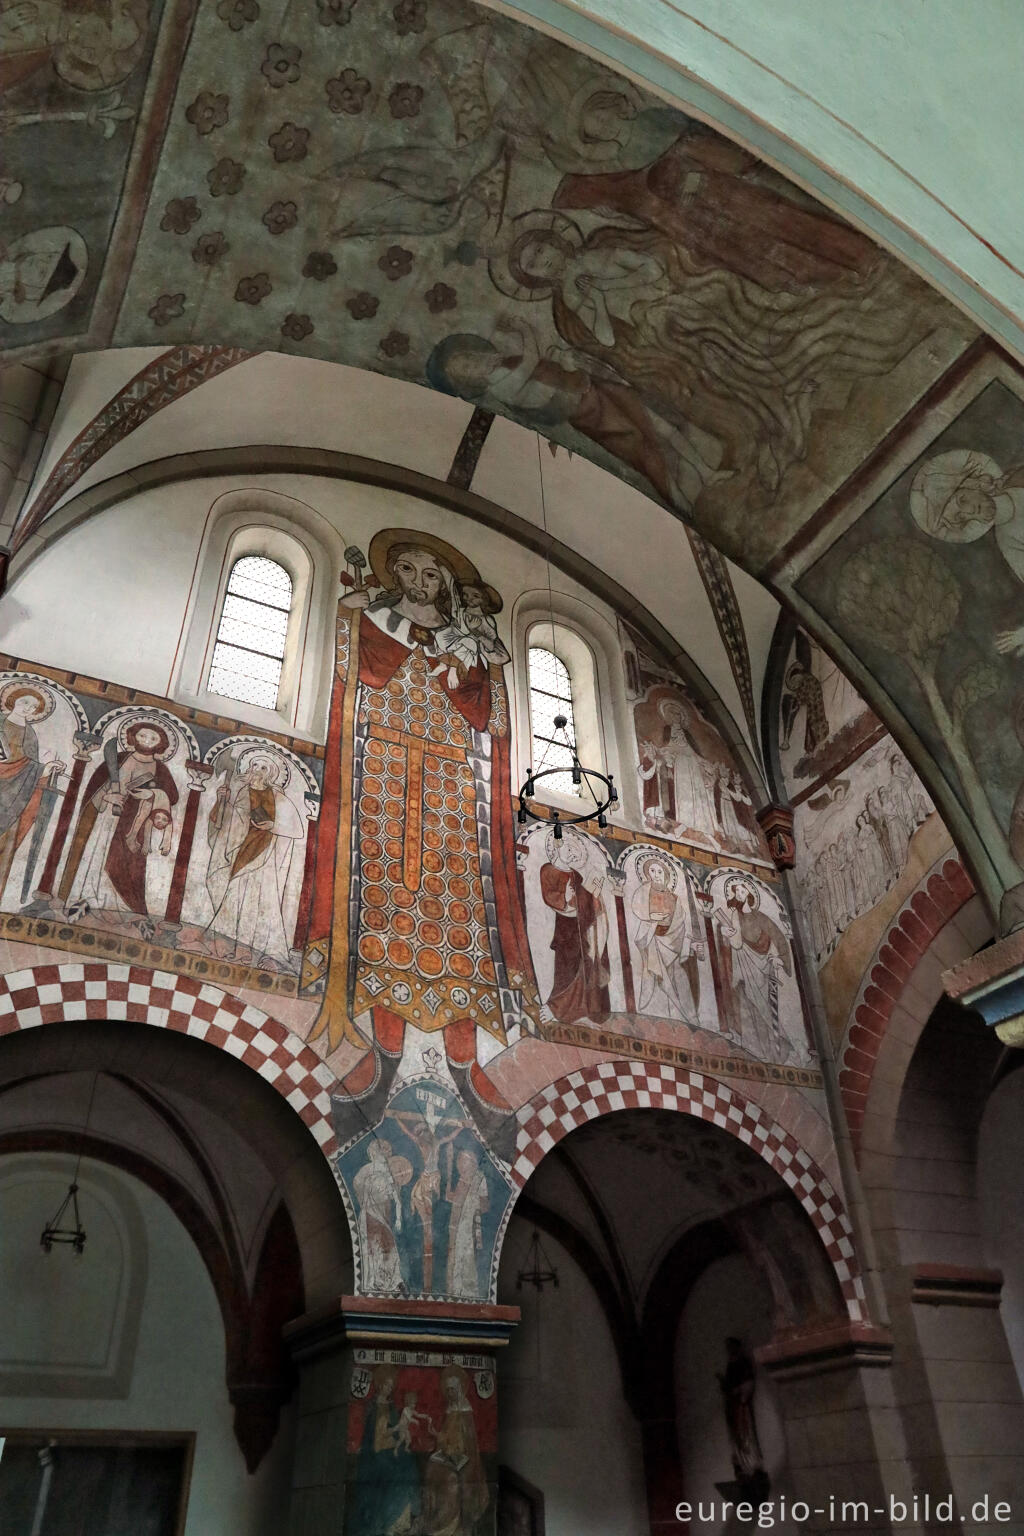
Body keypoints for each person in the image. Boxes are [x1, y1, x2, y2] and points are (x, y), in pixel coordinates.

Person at [305, 529, 537, 1061]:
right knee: (380, 906)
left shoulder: (467, 644)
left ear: (445, 585)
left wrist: (490, 672)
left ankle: (464, 1059)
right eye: (408, 570)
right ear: (393, 574)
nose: (418, 582)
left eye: (432, 575)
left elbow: (490, 715)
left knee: (460, 924)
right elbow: (351, 675)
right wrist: (347, 614)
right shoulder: (376, 619)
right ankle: (384, 1051)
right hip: (380, 780)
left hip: (454, 795)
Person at [59, 720, 178, 919]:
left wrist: (152, 794)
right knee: (96, 856)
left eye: (153, 738)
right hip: (106, 819)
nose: (146, 741)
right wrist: (106, 796)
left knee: (127, 865)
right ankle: (86, 899)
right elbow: (95, 788)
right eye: (142, 735)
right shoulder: (117, 758)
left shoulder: (161, 769)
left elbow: (172, 796)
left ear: (160, 743)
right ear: (133, 737)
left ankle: (123, 909)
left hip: (134, 824)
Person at [203, 752, 304, 968]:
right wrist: (222, 800)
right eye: (255, 765)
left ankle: (247, 951)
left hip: (263, 853)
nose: (257, 770)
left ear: (271, 774)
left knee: (254, 901)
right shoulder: (240, 791)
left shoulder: (277, 795)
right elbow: (221, 821)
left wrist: (272, 826)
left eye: (263, 768)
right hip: (238, 848)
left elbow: (297, 829)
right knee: (232, 894)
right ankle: (225, 947)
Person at [712, 876, 795, 1061]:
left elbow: (778, 938)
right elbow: (734, 942)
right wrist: (725, 933)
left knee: (764, 1005)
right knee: (745, 1002)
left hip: (763, 969)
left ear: (749, 894)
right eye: (737, 892)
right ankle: (754, 1049)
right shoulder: (734, 914)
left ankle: (776, 1049)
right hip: (741, 965)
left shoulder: (760, 917)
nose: (739, 895)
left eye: (743, 891)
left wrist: (779, 958)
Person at [538, 828, 611, 1024]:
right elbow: (550, 896)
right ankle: (556, 1007)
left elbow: (587, 902)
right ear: (557, 847)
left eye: (575, 851)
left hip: (583, 927)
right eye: (569, 849)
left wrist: (594, 893)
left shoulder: (577, 876)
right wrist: (566, 898)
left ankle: (582, 1010)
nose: (572, 854)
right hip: (566, 929)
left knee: (584, 965)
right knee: (566, 969)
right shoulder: (548, 870)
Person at [0, 684, 63, 899]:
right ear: (13, 700)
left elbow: (30, 766)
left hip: (16, 797)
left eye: (33, 706)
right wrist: (37, 768)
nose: (28, 708)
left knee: (5, 846)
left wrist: (46, 769)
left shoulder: (30, 734)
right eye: (25, 701)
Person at [628, 855, 701, 1022]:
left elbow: (680, 924)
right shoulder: (643, 892)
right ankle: (651, 1017)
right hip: (652, 942)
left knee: (679, 976)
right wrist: (652, 920)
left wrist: (686, 944)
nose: (656, 874)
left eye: (660, 871)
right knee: (652, 976)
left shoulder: (675, 898)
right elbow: (639, 914)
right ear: (647, 874)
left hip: (672, 944)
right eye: (652, 871)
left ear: (667, 875)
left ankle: (687, 1016)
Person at [421, 1367, 489, 1536]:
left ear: (460, 1388)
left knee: (451, 1481)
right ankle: (433, 1521)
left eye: (453, 1389)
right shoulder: (450, 1409)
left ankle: (451, 1526)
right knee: (431, 1467)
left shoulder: (466, 1409)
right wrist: (435, 1434)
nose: (450, 1392)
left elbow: (469, 1443)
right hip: (448, 1454)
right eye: (448, 1389)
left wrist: (455, 1451)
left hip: (465, 1459)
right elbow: (446, 1437)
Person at [352, 1139, 407, 1294]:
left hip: (385, 1212)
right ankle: (375, 1280)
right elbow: (357, 1183)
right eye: (381, 1150)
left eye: (387, 1150)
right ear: (373, 1153)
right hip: (371, 1212)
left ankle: (394, 1280)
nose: (385, 1153)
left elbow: (396, 1196)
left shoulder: (389, 1172)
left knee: (388, 1245)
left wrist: (398, 1218)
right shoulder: (367, 1169)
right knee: (374, 1245)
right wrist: (365, 1200)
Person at [718, 1338, 766, 1488]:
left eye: (731, 1347)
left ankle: (751, 1466)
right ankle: (741, 1467)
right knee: (736, 1438)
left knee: (745, 1436)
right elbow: (729, 1386)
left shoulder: (743, 1363)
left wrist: (738, 1392)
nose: (729, 1350)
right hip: (732, 1406)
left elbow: (748, 1382)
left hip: (741, 1405)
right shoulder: (730, 1364)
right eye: (727, 1348)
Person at [445, 1145, 489, 1298]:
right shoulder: (461, 1179)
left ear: (471, 1162)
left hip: (469, 1224)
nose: (460, 1164)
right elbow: (450, 1198)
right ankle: (456, 1291)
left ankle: (469, 1292)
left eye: (462, 1161)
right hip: (457, 1225)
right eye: (459, 1161)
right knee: (457, 1255)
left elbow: (485, 1206)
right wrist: (449, 1171)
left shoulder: (479, 1178)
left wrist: (472, 1203)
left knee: (467, 1256)